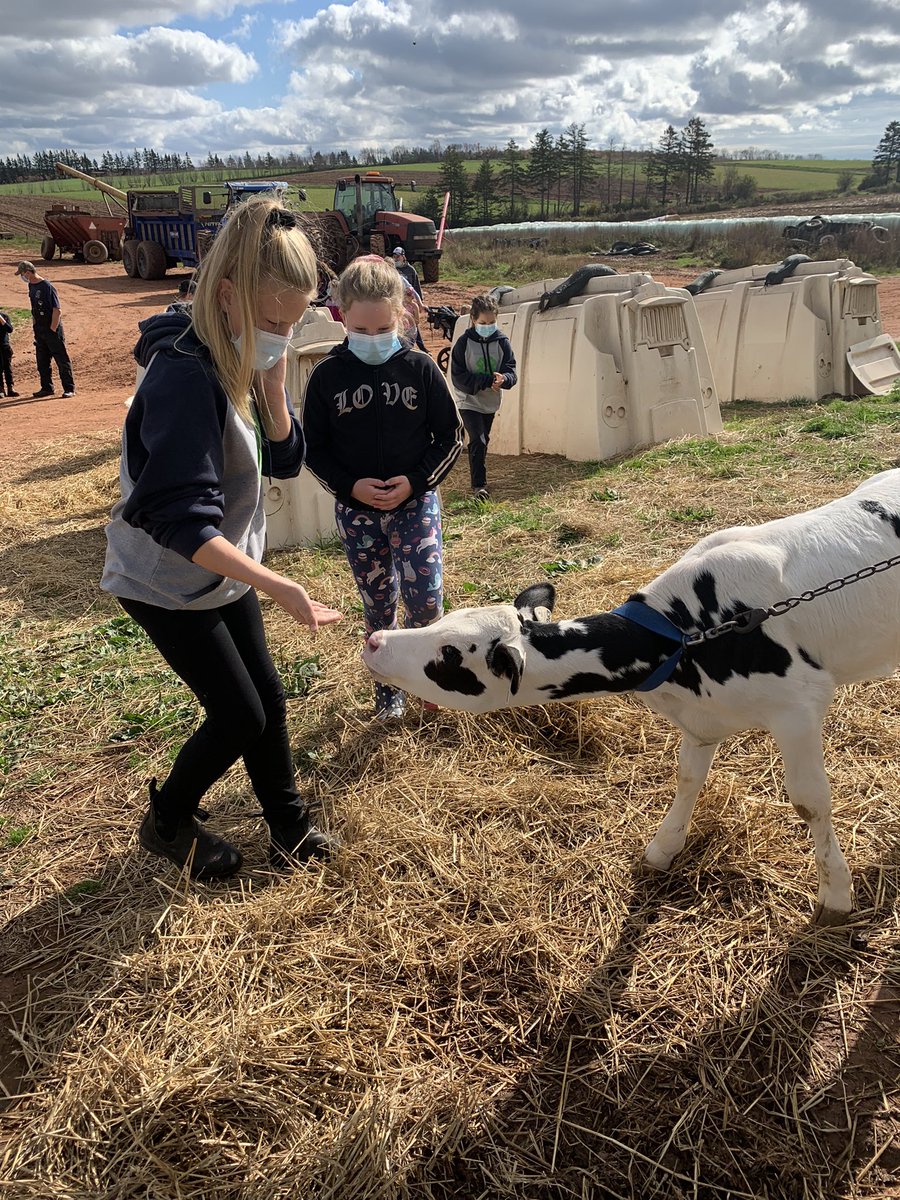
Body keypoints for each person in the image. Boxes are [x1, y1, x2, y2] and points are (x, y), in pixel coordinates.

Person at [101, 196, 343, 880]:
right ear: (228, 293)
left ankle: (291, 828)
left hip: (221, 567)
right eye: (274, 321)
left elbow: (286, 460)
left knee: (266, 700)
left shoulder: (237, 347)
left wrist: (272, 383)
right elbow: (180, 522)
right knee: (238, 715)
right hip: (168, 578)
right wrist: (281, 584)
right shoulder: (183, 372)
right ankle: (168, 819)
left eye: (294, 324)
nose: (282, 335)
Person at [302, 255, 464, 721]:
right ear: (342, 317)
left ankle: (430, 681)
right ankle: (389, 685)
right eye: (360, 330)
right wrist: (350, 486)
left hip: (415, 506)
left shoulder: (419, 367)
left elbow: (451, 436)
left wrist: (416, 482)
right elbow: (314, 448)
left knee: (426, 599)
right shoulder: (327, 376)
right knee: (378, 604)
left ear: (400, 316)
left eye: (381, 329)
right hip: (358, 514)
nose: (371, 340)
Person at [450, 294, 517, 502]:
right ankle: (479, 486)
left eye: (491, 323)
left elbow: (511, 371)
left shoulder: (502, 342)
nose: (487, 327)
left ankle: (479, 477)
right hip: (468, 400)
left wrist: (503, 379)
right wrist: (486, 381)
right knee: (477, 439)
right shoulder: (463, 343)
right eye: (483, 323)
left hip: (490, 402)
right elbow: (458, 378)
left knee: (483, 440)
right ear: (473, 319)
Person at [14, 261, 76, 399]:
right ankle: (46, 387)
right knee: (42, 361)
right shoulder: (31, 286)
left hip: (51, 328)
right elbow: (34, 308)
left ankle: (69, 388)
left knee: (61, 359)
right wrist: (35, 326)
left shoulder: (47, 286)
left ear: (28, 272)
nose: (22, 277)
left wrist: (52, 329)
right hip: (39, 328)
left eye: (23, 274)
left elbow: (57, 310)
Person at [0, 310, 18, 398]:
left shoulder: (4, 316)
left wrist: (1, 319)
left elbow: (10, 329)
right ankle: (1, 390)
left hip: (5, 346)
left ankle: (10, 388)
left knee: (8, 368)